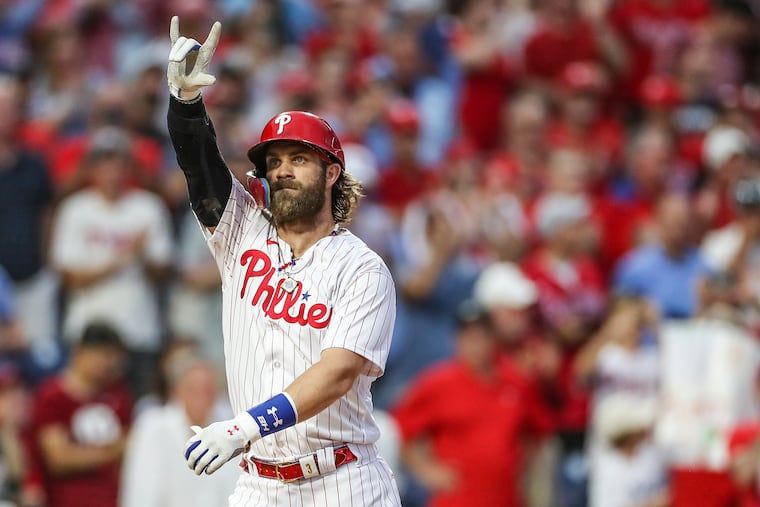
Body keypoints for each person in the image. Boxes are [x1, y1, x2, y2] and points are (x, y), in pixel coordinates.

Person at [166, 16, 401, 506]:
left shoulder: (362, 268)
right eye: (273, 161)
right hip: (259, 484)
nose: (282, 170)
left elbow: (338, 373)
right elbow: (201, 170)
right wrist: (186, 107)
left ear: (332, 171)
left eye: (298, 158)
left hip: (343, 478)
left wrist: (245, 425)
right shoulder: (241, 233)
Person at [391, 299, 550, 507]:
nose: (476, 345)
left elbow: (537, 431)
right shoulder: (439, 383)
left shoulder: (516, 383)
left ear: (493, 339)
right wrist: (426, 470)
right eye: (469, 338)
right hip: (457, 500)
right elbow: (397, 428)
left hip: (507, 499)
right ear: (457, 340)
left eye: (482, 337)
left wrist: (518, 467)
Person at [24, 322, 133, 507]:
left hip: (115, 499)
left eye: (115, 356)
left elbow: (131, 445)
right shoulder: (52, 397)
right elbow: (58, 458)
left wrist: (82, 453)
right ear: (80, 353)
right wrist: (112, 451)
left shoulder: (118, 395)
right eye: (104, 355)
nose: (110, 363)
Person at [120, 353, 239, 507]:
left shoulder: (230, 428)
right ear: (176, 391)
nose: (202, 397)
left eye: (208, 390)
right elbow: (142, 491)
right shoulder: (153, 427)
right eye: (193, 389)